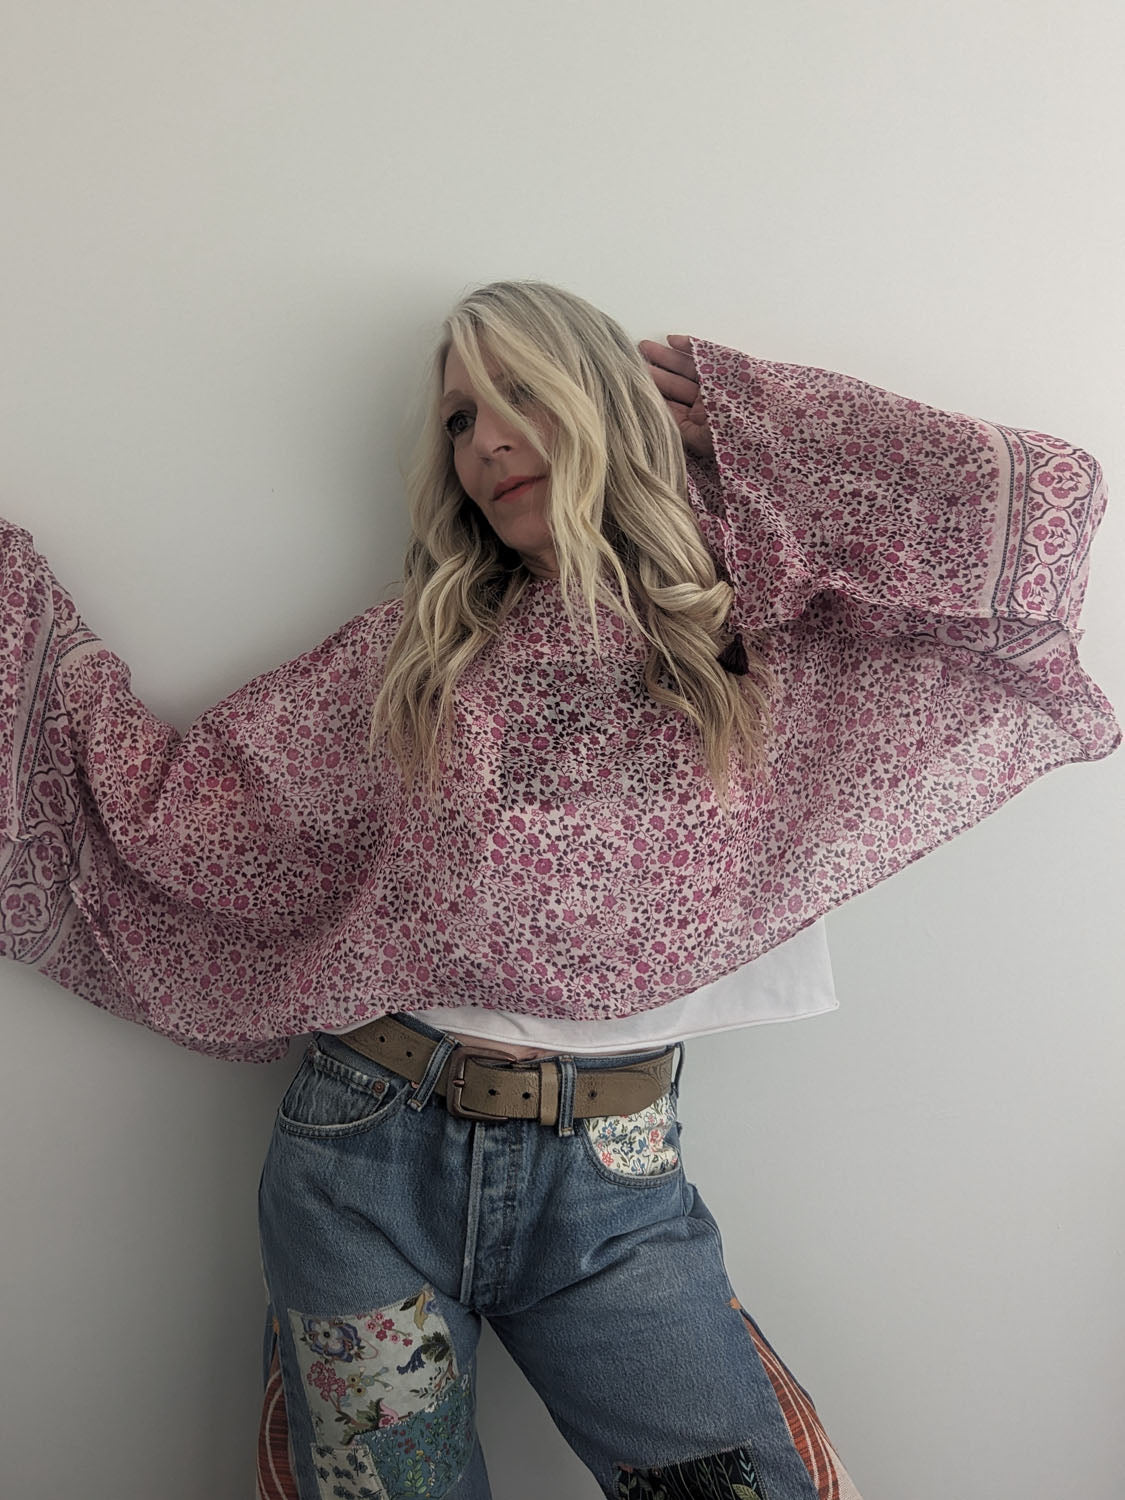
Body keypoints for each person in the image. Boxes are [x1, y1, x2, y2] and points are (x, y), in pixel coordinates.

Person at [0, 282, 1117, 1500]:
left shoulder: (773, 628)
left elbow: (1046, 522)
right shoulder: (416, 651)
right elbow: (188, 820)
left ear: (610, 401)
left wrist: (771, 421)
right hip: (365, 1153)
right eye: (457, 420)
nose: (482, 443)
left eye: (521, 394)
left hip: (615, 1180)